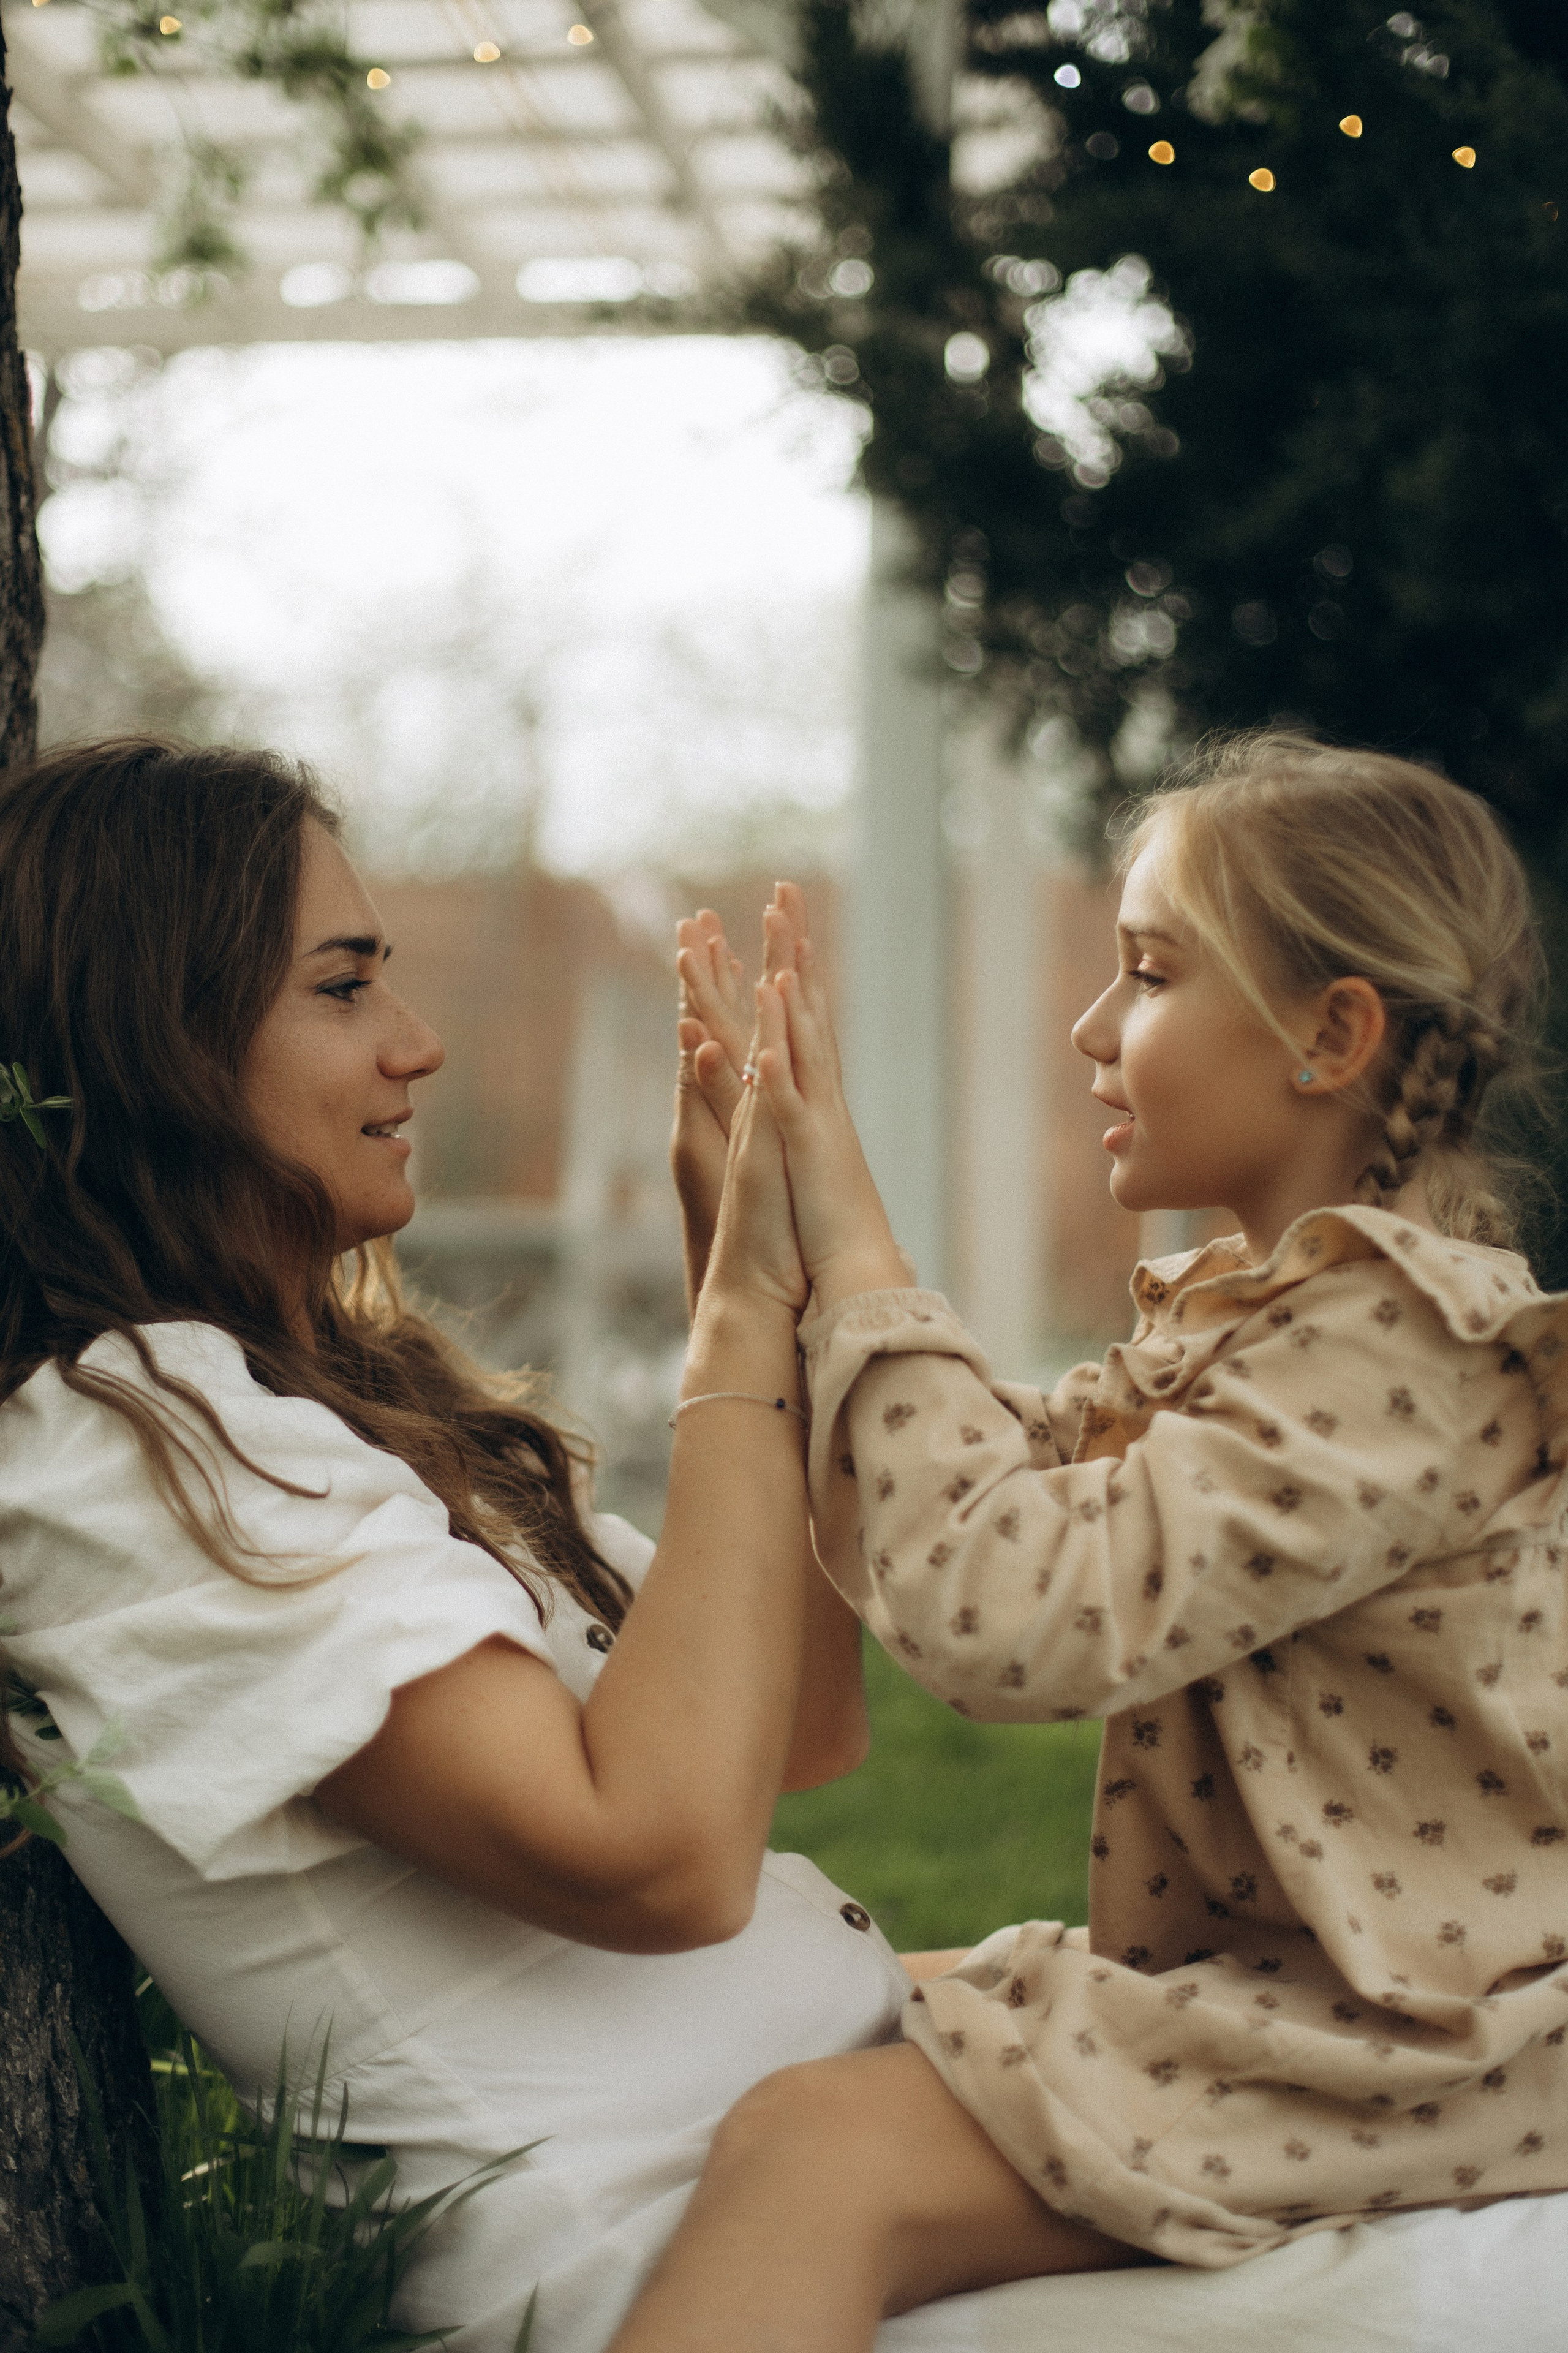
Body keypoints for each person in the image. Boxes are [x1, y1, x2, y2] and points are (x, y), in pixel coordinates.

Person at [608, 733, 1568, 2353]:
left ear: (1330, 1034)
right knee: (794, 1992)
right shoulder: (1255, 1323)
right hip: (1293, 1994)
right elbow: (920, 1516)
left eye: (1148, 971)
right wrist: (751, 1244)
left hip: (1436, 2041)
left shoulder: (1402, 1354)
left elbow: (1004, 1613)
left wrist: (852, 1233)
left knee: (814, 2154)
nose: (1091, 1027)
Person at [0, 738, 925, 2353]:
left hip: (838, 2145)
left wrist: (745, 1260)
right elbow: (659, 1852)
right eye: (345, 987)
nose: (415, 1046)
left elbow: (798, 1730)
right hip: (683, 2242)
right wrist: (731, 1339)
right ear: (159, 1036)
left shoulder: (345, 1397)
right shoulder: (121, 1446)